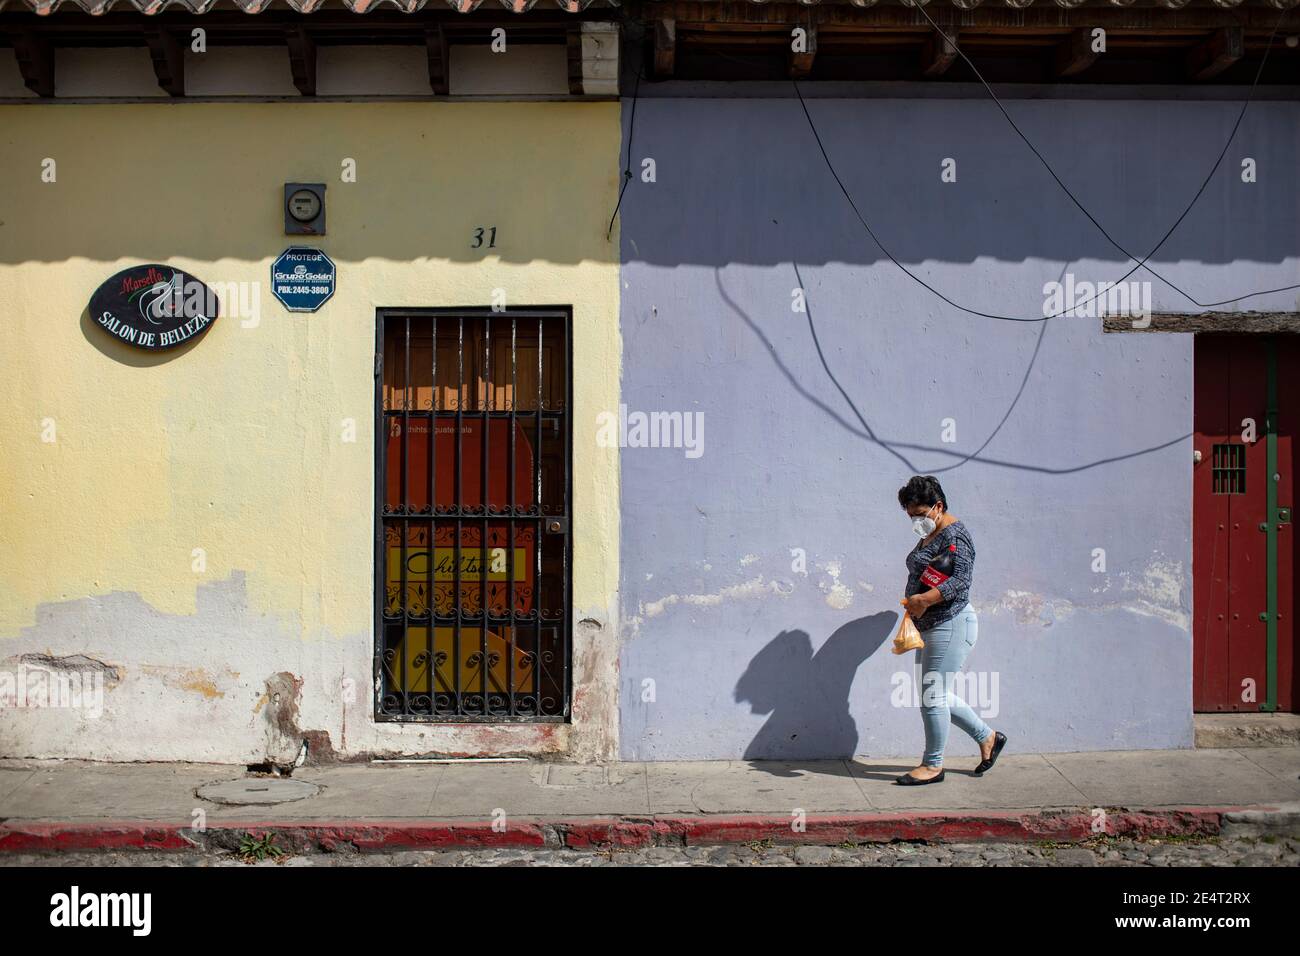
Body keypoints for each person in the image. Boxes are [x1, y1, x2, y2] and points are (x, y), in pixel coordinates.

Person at [895, 475, 1007, 785]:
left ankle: (933, 766)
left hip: (951, 623)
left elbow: (960, 581)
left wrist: (924, 599)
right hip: (932, 625)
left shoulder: (957, 535)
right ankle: (988, 738)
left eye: (919, 513)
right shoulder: (932, 535)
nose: (915, 520)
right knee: (936, 694)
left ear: (938, 506)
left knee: (932, 697)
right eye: (911, 515)